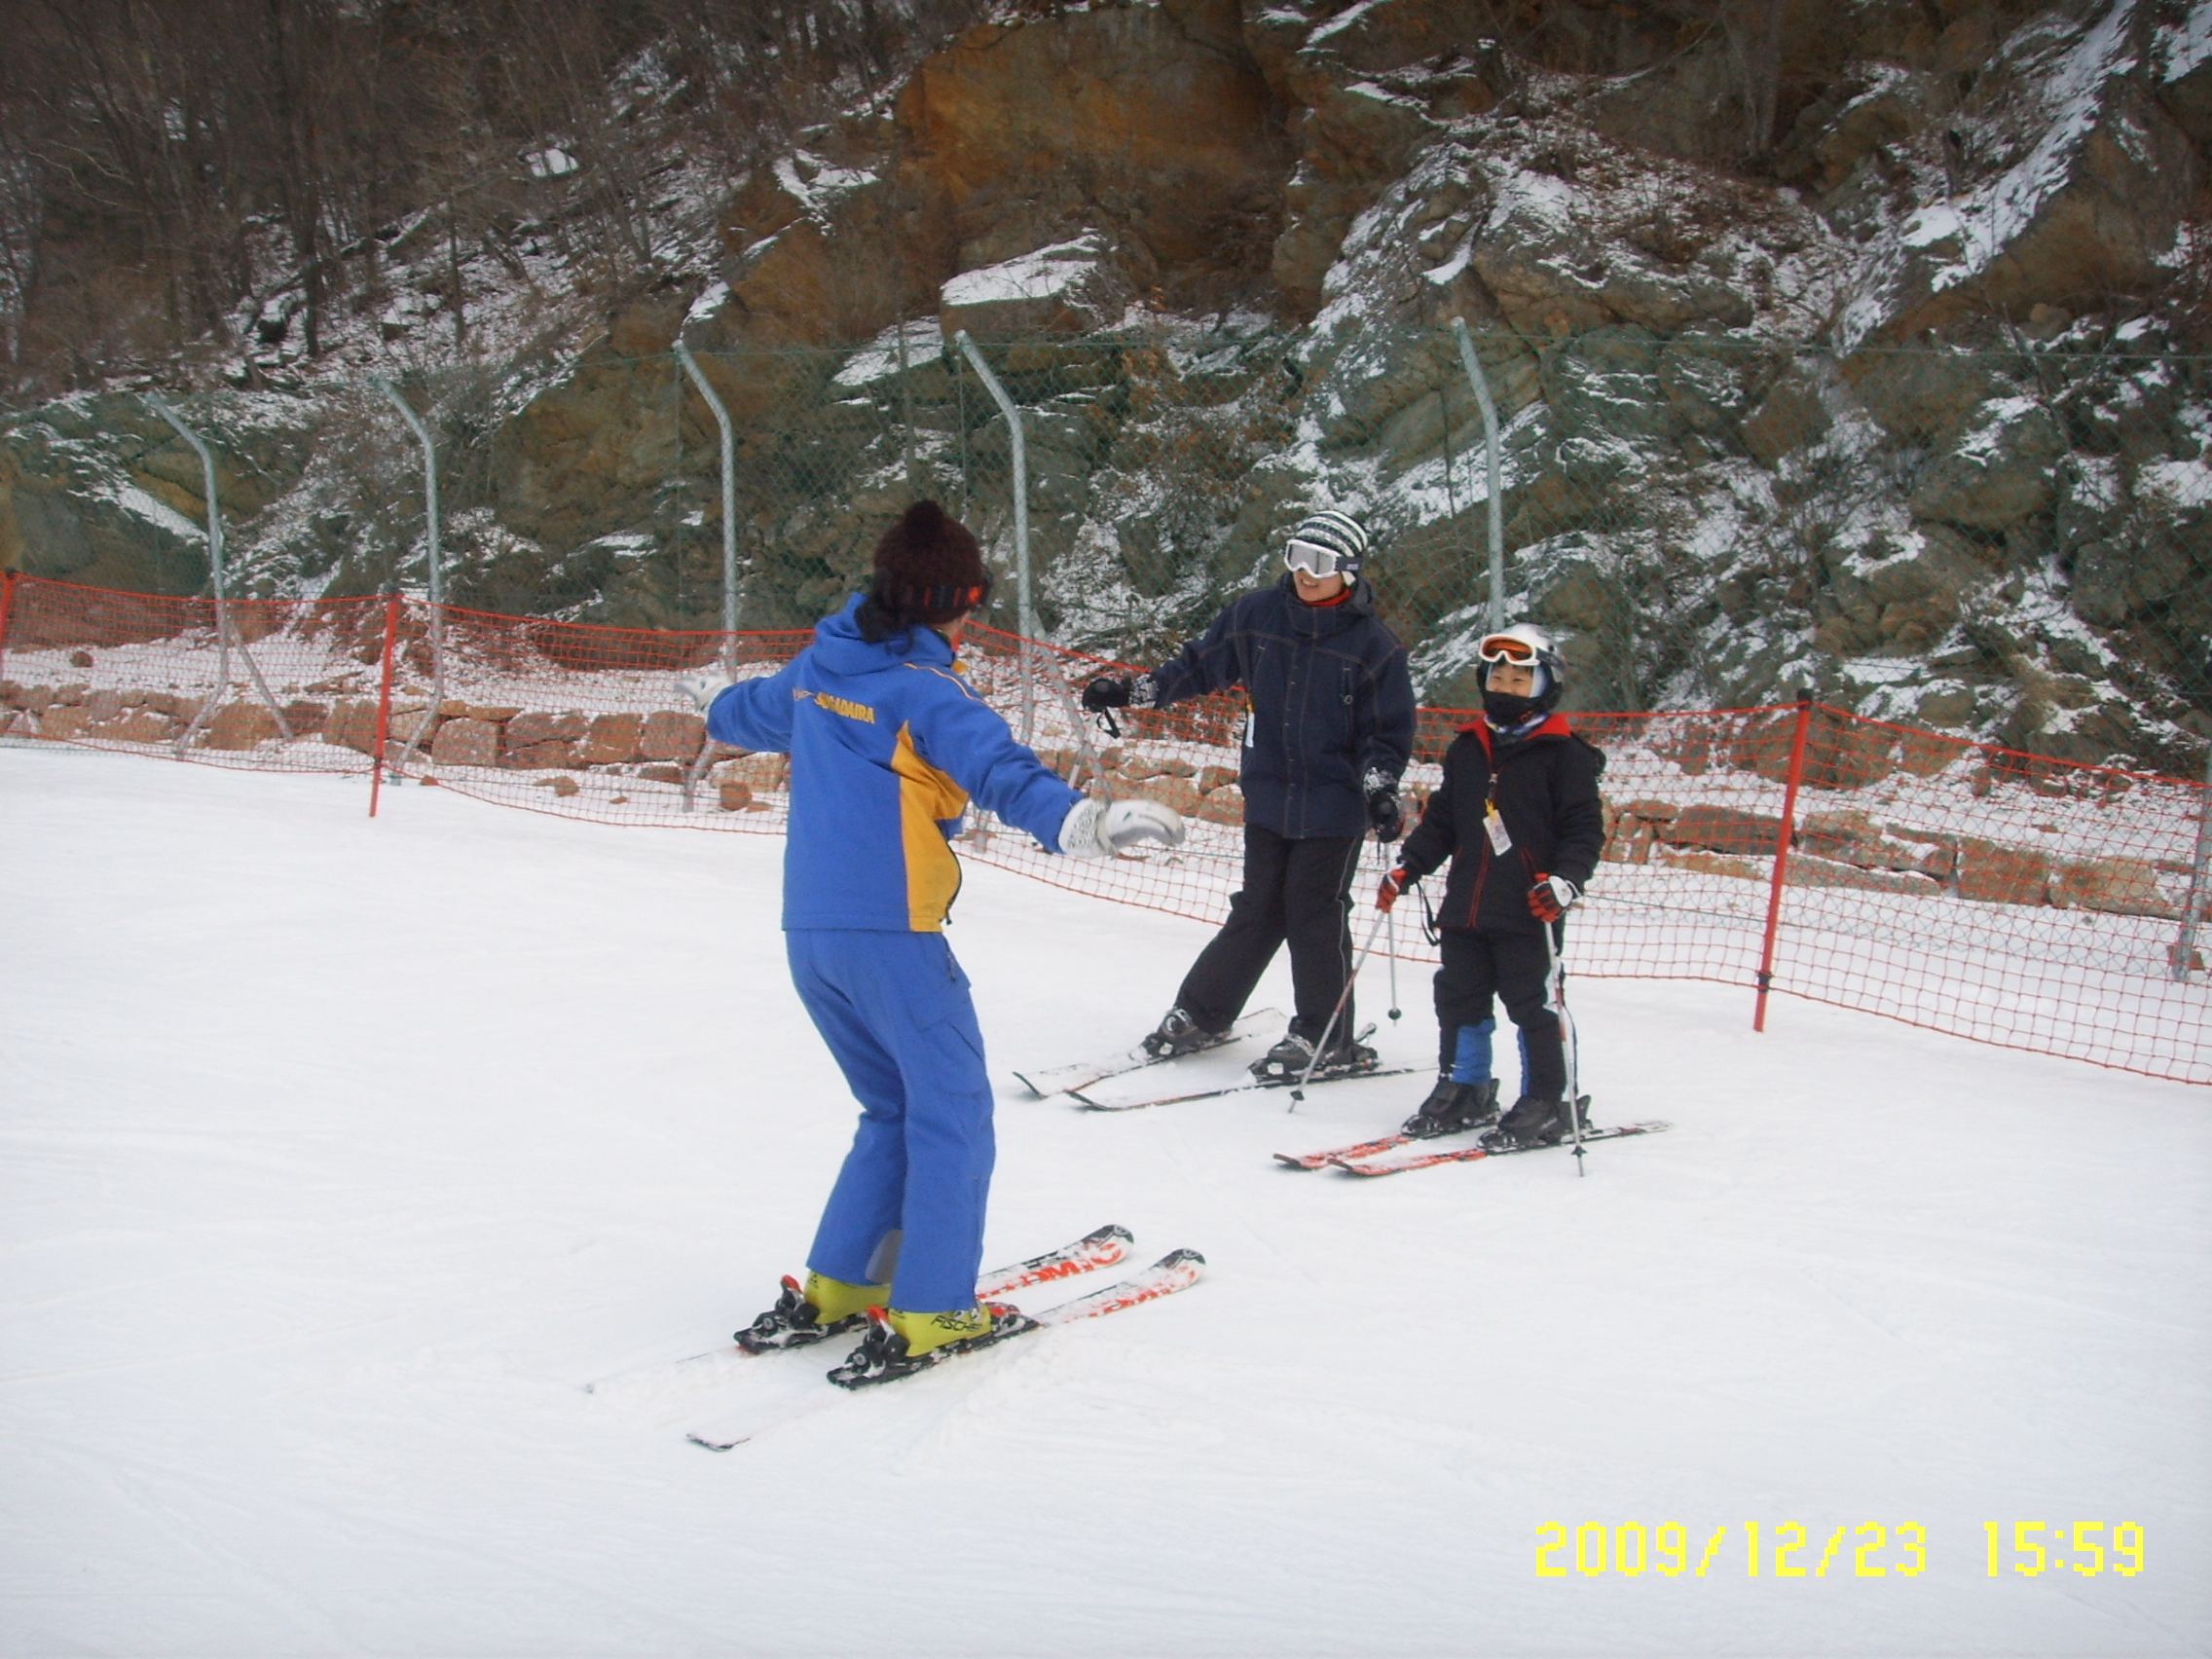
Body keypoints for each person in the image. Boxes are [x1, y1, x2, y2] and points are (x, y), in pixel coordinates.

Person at [676, 500, 1185, 1385]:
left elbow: (747, 713)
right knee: (953, 1116)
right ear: (961, 602)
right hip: (895, 938)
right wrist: (1088, 824)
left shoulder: (816, 669)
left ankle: (840, 1286)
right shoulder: (923, 691)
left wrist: (712, 704)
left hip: (813, 938)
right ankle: (931, 1309)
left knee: (893, 1111)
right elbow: (1000, 770)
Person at [1081, 509, 1415, 1083]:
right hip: (1270, 792)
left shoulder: (1373, 647)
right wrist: (1132, 691)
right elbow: (1199, 666)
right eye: (1297, 557)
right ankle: (1204, 1014)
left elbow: (1385, 733)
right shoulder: (1257, 615)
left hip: (1333, 805)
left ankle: (1323, 1034)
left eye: (1323, 563)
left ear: (1349, 572)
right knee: (1258, 907)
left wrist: (1381, 791)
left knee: (1314, 913)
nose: (1307, 574)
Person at [1376, 622, 1605, 1151]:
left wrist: (1566, 881)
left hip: (1528, 910)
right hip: (1465, 910)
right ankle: (1466, 1085)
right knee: (1460, 999)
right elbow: (1444, 822)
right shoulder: (1468, 749)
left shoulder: (1564, 754)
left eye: (1520, 678)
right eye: (1497, 675)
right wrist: (1410, 865)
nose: (1504, 685)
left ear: (1547, 684)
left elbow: (1583, 830)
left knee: (1533, 1002)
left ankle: (1550, 1097)